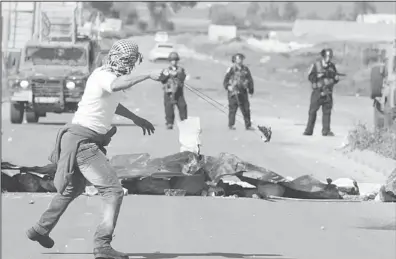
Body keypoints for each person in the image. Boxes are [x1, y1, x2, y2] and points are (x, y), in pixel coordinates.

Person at [26, 39, 163, 259]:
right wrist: (147, 75)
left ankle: (40, 229)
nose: (132, 65)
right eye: (131, 61)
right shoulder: (104, 75)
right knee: (113, 191)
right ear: (126, 60)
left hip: (79, 141)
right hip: (83, 145)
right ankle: (102, 246)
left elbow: (113, 101)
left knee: (73, 189)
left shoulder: (107, 75)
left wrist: (137, 118)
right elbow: (117, 86)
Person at [303, 48, 340, 136]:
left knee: (327, 112)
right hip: (318, 92)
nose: (329, 58)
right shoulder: (316, 65)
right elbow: (310, 76)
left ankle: (326, 131)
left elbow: (335, 77)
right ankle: (309, 130)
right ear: (323, 56)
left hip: (328, 92)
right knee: (312, 112)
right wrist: (318, 76)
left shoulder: (332, 66)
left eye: (330, 56)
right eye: (327, 56)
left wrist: (335, 79)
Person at [223, 53, 254, 130]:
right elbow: (225, 80)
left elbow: (250, 80)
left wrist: (251, 90)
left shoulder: (246, 69)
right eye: (238, 58)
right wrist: (228, 86)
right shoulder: (231, 69)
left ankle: (248, 125)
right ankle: (231, 125)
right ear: (235, 60)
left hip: (243, 91)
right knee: (233, 109)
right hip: (233, 92)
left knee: (246, 109)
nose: (240, 60)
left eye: (241, 58)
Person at [160, 51, 188, 130]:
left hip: (179, 92)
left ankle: (184, 122)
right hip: (168, 92)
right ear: (170, 61)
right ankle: (169, 123)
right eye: (172, 60)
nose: (174, 62)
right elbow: (162, 79)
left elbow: (183, 78)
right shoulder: (166, 70)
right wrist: (168, 74)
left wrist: (177, 74)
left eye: (175, 60)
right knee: (168, 108)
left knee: (182, 106)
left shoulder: (181, 69)